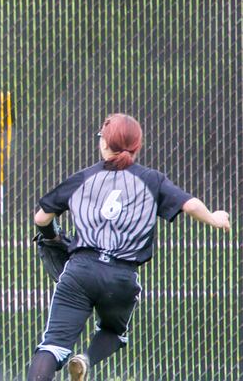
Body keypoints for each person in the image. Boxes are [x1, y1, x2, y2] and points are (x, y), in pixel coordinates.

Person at [26, 113, 231, 381]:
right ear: (137, 146)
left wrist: (52, 237)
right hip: (121, 277)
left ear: (104, 143)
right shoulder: (152, 180)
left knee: (53, 346)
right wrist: (214, 218)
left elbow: (41, 217)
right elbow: (190, 204)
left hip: (80, 271)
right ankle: (86, 359)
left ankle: (63, 360)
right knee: (113, 333)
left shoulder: (83, 178)